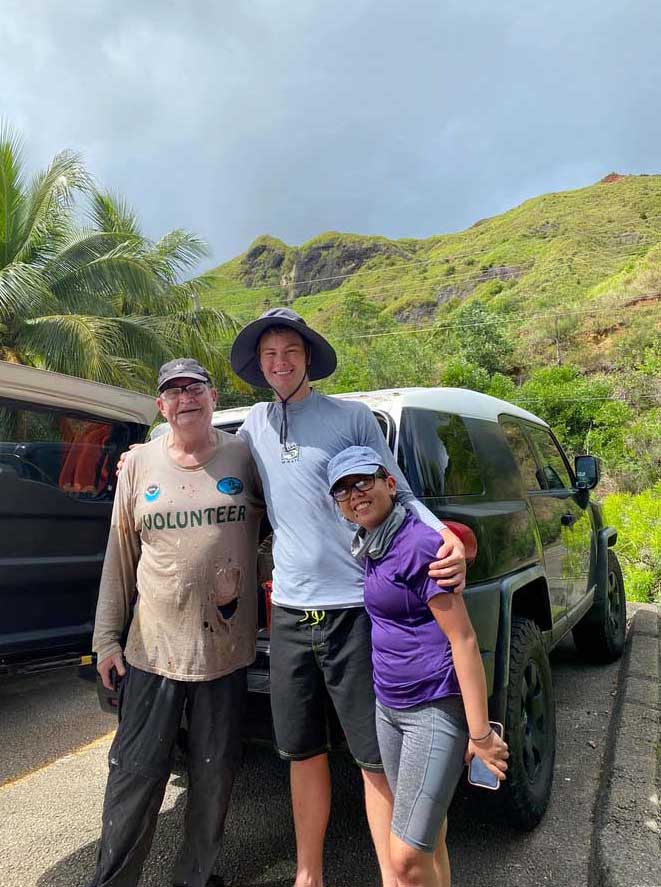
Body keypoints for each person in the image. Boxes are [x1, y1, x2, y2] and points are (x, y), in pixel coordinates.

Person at [229, 308, 467, 887]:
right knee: (301, 750)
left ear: (308, 357)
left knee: (373, 756)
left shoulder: (351, 418)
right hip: (287, 612)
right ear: (259, 367)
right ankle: (308, 874)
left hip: (355, 610)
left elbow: (400, 489)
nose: (279, 362)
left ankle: (396, 873)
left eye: (289, 351)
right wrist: (144, 457)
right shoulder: (253, 428)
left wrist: (447, 540)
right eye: (269, 355)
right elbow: (214, 474)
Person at [89, 358, 264, 887]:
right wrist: (105, 641)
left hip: (226, 655)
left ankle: (197, 877)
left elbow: (283, 529)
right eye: (174, 391)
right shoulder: (139, 464)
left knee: (214, 778)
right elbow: (120, 554)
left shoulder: (246, 455)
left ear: (213, 397)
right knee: (135, 778)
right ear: (162, 406)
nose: (186, 397)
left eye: (196, 388)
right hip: (152, 654)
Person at [326, 445, 509, 887]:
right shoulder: (372, 544)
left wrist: (480, 735)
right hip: (389, 708)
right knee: (431, 838)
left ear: (391, 484)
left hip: (432, 706)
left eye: (363, 481)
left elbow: (463, 639)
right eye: (344, 489)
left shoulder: (418, 545)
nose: (355, 494)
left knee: (406, 859)